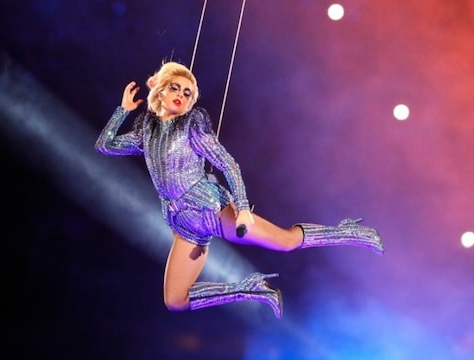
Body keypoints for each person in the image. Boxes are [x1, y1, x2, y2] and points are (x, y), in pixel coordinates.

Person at [95, 61, 383, 318]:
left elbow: (228, 165)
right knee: (175, 300)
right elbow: (105, 145)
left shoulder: (192, 127)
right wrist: (123, 111)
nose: (181, 95)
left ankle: (352, 232)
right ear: (160, 91)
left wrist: (243, 210)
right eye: (176, 88)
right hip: (184, 226)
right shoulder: (148, 131)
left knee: (285, 241)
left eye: (187, 93)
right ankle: (252, 289)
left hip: (212, 210)